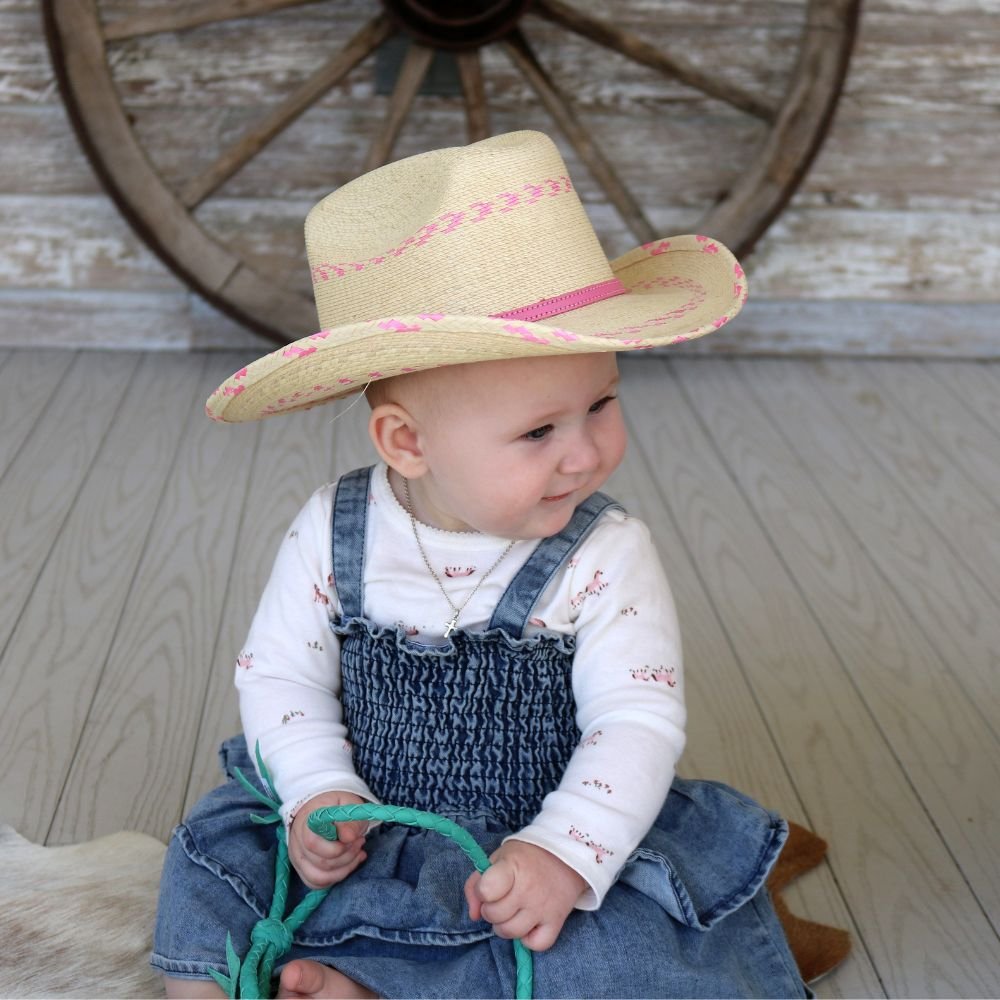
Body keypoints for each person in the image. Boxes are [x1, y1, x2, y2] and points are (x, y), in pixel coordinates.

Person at [153, 130, 806, 999]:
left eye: (602, 403)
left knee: (601, 942)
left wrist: (567, 850)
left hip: (541, 817)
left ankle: (373, 983)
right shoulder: (332, 532)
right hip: (366, 808)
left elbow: (635, 719)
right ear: (408, 442)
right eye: (539, 431)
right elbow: (279, 675)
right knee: (217, 863)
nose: (585, 454)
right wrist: (316, 795)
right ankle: (232, 983)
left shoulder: (605, 555)